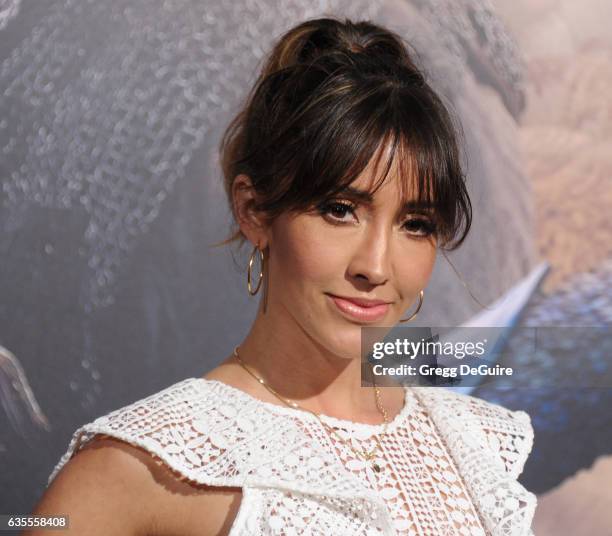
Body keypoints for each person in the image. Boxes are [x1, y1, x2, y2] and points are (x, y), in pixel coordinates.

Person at [27, 17, 536, 536]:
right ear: (253, 212)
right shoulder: (145, 466)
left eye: (416, 224)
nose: (376, 267)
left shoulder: (476, 444)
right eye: (339, 210)